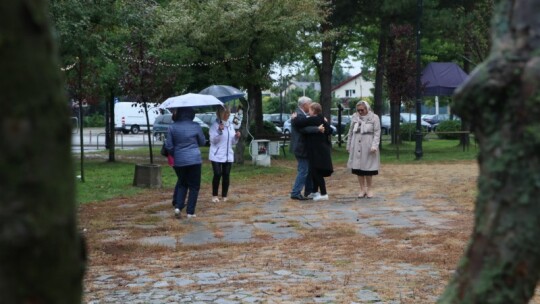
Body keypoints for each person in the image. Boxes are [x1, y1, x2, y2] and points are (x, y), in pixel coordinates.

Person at [165, 107, 206, 218]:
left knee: (182, 184)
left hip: (179, 160)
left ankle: (178, 207)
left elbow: (168, 145)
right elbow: (202, 142)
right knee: (194, 186)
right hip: (194, 159)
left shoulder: (172, 127)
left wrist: (176, 154)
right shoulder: (196, 126)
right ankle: (190, 212)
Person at [291, 102, 333, 201]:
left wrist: (294, 118)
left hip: (317, 150)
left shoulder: (313, 118)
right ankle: (313, 192)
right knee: (313, 171)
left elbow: (300, 123)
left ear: (313, 111)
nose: (308, 110)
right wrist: (322, 126)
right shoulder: (320, 118)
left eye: (310, 109)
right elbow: (330, 130)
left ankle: (322, 193)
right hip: (320, 149)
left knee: (315, 171)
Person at [289, 96, 323, 200]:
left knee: (307, 170)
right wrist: (317, 128)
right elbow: (304, 129)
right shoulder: (299, 115)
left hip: (303, 147)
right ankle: (295, 192)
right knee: (303, 170)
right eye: (310, 103)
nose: (311, 105)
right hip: (301, 147)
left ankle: (309, 191)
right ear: (304, 105)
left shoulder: (301, 114)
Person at [346, 101, 381, 198]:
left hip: (368, 144)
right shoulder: (355, 117)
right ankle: (362, 189)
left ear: (367, 109)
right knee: (358, 168)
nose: (360, 112)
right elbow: (350, 132)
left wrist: (374, 145)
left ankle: (369, 189)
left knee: (368, 168)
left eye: (362, 110)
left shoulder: (374, 117)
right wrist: (348, 145)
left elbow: (377, 133)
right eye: (358, 110)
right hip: (356, 143)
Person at [209, 106, 241, 203]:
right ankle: (214, 195)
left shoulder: (230, 125)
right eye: (225, 113)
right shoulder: (214, 125)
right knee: (217, 174)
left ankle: (224, 195)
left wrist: (236, 137)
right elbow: (213, 141)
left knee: (226, 174)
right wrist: (219, 131)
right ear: (220, 114)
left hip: (228, 155)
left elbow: (233, 142)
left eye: (229, 113)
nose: (227, 115)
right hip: (216, 154)